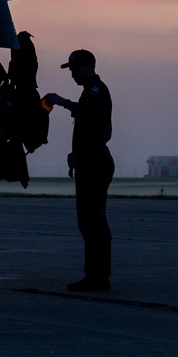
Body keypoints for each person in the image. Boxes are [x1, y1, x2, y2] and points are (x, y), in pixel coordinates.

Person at [43, 50, 114, 292]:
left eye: (74, 69)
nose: (72, 74)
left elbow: (92, 118)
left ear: (86, 66)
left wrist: (63, 103)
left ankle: (98, 277)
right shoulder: (89, 92)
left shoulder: (96, 91)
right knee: (88, 221)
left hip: (95, 162)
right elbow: (89, 128)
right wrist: (76, 154)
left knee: (94, 221)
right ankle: (94, 274)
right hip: (88, 160)